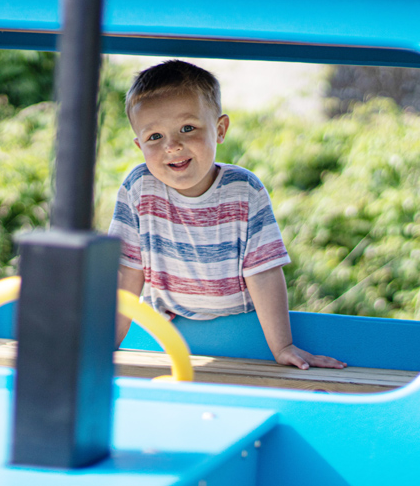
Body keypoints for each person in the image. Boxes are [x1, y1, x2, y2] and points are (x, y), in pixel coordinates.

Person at [109, 60, 345, 370]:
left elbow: (263, 270)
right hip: (169, 332)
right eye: (155, 137)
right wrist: (107, 342)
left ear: (219, 130)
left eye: (187, 128)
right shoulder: (138, 188)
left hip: (243, 331)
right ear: (139, 145)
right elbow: (127, 271)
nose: (172, 146)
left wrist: (282, 345)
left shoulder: (243, 189)